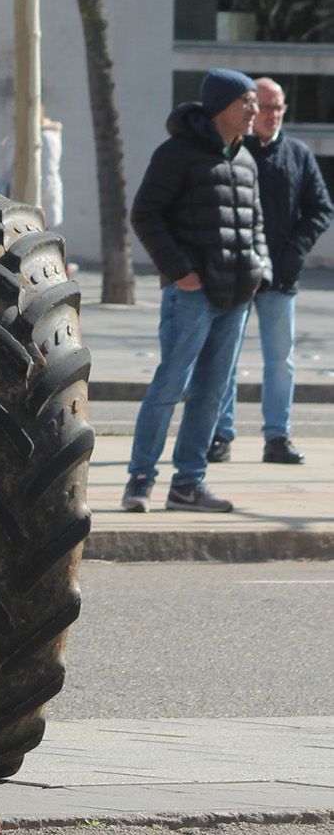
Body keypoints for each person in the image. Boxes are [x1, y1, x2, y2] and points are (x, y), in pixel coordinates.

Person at [120, 68, 269, 514]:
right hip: (192, 296)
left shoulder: (245, 159)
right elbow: (145, 214)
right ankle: (140, 480)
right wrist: (181, 272)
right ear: (222, 104)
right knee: (170, 386)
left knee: (211, 393)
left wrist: (258, 266)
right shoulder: (177, 154)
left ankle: (188, 485)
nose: (254, 110)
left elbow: (256, 222)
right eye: (247, 101)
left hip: (236, 297)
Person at [204, 76, 333, 467]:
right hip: (237, 275)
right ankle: (220, 435)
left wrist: (294, 254)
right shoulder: (231, 152)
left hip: (281, 277)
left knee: (281, 360)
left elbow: (320, 208)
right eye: (265, 106)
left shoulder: (297, 154)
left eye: (279, 107)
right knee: (227, 357)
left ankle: (277, 437)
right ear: (250, 109)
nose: (272, 115)